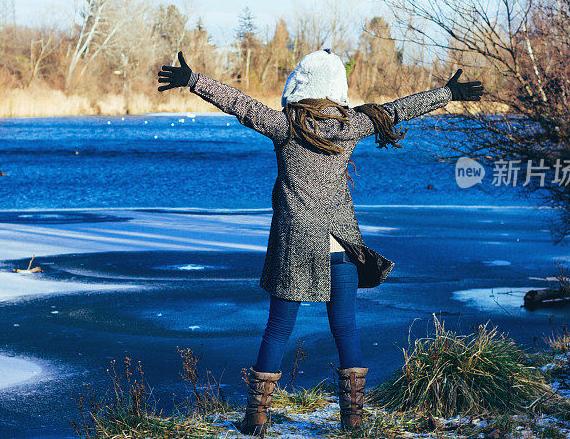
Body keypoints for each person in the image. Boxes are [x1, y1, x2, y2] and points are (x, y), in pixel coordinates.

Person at [158, 49, 483, 434]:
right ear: (338, 89)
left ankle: (256, 419)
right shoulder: (352, 125)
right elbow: (397, 110)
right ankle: (353, 420)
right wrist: (447, 93)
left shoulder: (285, 126)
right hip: (341, 245)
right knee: (346, 328)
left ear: (298, 85)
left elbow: (239, 104)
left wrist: (193, 80)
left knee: (277, 329)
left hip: (296, 244)